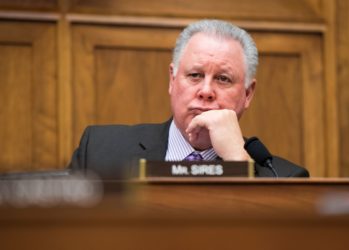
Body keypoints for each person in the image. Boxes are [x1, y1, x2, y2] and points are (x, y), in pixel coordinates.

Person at [69, 19, 309, 179]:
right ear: (172, 80)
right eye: (195, 75)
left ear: (248, 94)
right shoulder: (100, 152)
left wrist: (238, 162)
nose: (206, 91)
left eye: (223, 79)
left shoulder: (285, 178)